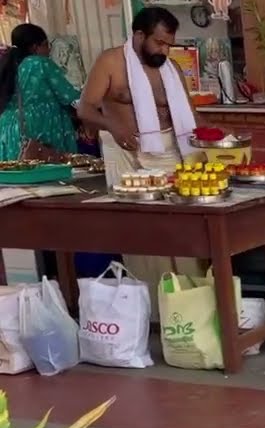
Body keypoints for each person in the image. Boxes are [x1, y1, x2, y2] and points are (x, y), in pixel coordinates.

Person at [78, 7, 202, 293]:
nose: (165, 50)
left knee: (183, 229)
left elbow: (193, 117)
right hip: (125, 152)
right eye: (159, 42)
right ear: (138, 35)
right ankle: (154, 309)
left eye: (169, 44)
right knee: (143, 234)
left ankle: (188, 300)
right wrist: (113, 126)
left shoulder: (171, 70)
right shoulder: (110, 62)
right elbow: (85, 108)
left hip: (171, 151)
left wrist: (219, 139)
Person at [0, 24, 81, 161]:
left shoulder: (7, 63)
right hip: (38, 126)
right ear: (34, 47)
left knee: (16, 177)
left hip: (7, 129)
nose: (49, 50)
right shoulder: (40, 63)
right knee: (48, 175)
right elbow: (70, 97)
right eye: (45, 45)